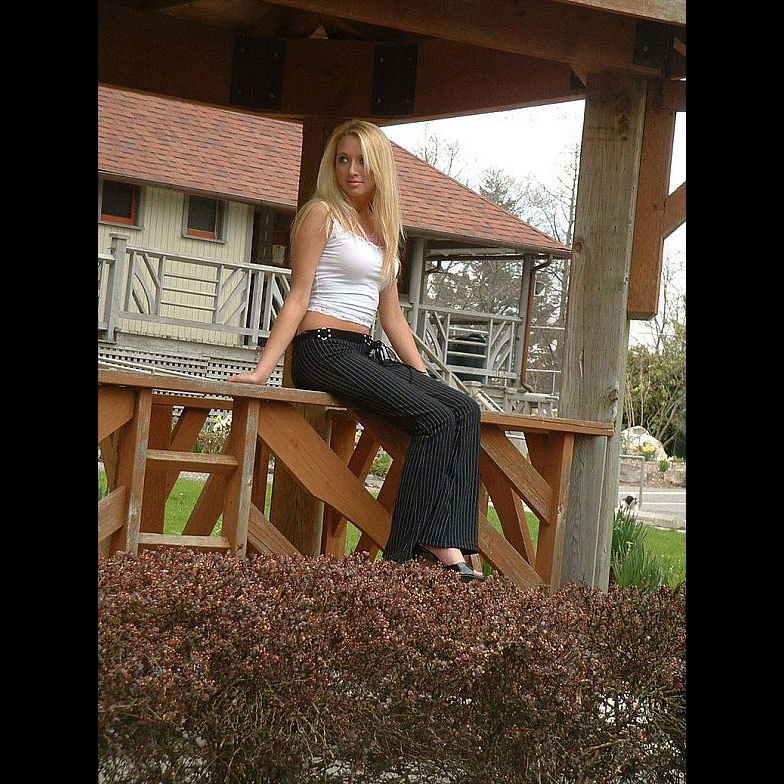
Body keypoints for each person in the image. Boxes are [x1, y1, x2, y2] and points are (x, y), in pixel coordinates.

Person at [228, 119, 483, 581]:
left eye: (362, 160)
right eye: (343, 159)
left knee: (463, 410)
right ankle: (405, 556)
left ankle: (451, 543)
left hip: (362, 351)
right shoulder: (322, 214)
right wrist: (263, 369)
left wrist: (422, 375)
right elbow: (298, 297)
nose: (351, 170)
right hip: (322, 349)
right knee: (435, 420)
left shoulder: (384, 230)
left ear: (379, 166)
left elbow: (392, 317)